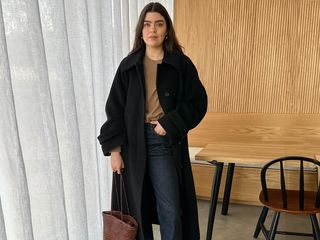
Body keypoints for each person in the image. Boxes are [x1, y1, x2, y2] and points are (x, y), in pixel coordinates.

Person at [98, 2, 207, 239]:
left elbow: (198, 102)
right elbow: (114, 109)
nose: (153, 30)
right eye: (147, 24)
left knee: (170, 209)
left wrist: (169, 123)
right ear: (140, 30)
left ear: (167, 29)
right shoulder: (128, 66)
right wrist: (114, 151)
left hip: (162, 142)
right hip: (131, 143)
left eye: (159, 24)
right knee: (136, 211)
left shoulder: (180, 64)